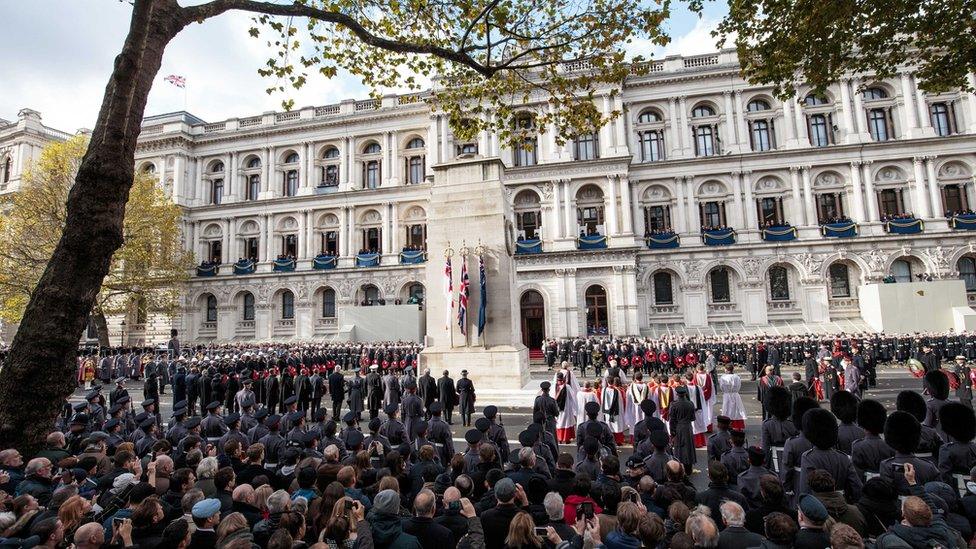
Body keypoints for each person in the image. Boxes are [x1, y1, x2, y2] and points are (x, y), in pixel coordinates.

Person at [668, 386, 697, 476]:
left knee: (679, 448)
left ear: (677, 394)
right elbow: (693, 418)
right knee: (689, 448)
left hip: (679, 427)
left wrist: (672, 433)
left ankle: (679, 469)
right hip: (688, 427)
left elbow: (672, 420)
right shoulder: (690, 404)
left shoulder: (674, 405)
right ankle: (689, 469)